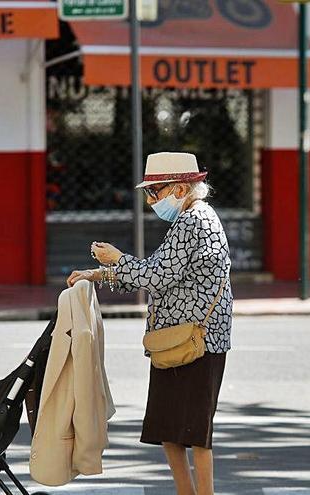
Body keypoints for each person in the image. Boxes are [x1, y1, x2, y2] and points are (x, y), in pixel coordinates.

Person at [66, 152, 233, 495]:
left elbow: (155, 276)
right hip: (178, 341)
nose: (151, 200)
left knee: (194, 432)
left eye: (155, 192)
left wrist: (116, 259)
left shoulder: (193, 222)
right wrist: (99, 273)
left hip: (196, 343)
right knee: (170, 429)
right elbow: (155, 271)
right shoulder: (190, 218)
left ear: (182, 187)